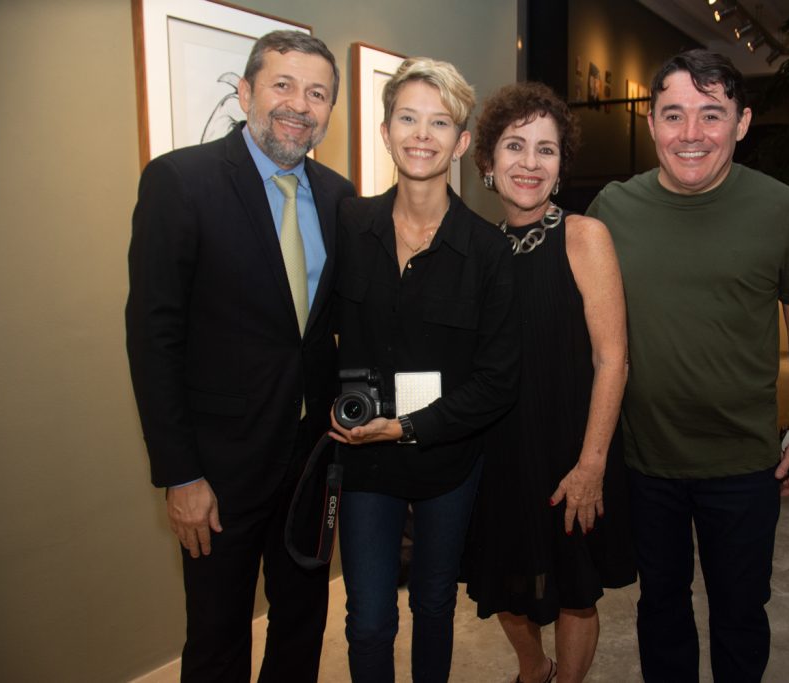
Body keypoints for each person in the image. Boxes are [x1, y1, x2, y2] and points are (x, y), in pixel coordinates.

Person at [586, 49, 789, 682]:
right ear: (652, 124)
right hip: (644, 462)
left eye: (711, 115)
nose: (690, 134)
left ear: (742, 123)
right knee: (659, 610)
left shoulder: (781, 209)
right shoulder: (612, 209)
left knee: (741, 613)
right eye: (673, 115)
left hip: (745, 463)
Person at [126, 31, 355, 681]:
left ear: (329, 111)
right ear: (246, 90)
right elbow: (153, 338)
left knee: (302, 621)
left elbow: (340, 326)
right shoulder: (181, 182)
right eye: (282, 84)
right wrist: (180, 475)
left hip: (313, 460)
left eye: (317, 93)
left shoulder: (340, 198)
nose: (298, 104)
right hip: (218, 472)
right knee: (219, 636)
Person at [329, 57, 519, 683]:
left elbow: (496, 381)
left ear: (462, 143)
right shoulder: (350, 226)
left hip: (447, 462)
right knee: (368, 621)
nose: (421, 134)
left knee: (435, 606)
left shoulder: (489, 252)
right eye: (407, 118)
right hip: (364, 461)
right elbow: (318, 338)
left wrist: (407, 428)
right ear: (385, 130)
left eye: (440, 123)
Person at [464, 82, 637, 683]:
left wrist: (591, 464)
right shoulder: (477, 248)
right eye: (515, 147)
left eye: (547, 150)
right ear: (488, 162)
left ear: (562, 164)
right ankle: (534, 670)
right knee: (506, 586)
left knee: (574, 589)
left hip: (571, 447)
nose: (530, 164)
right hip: (499, 452)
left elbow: (612, 360)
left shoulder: (584, 237)